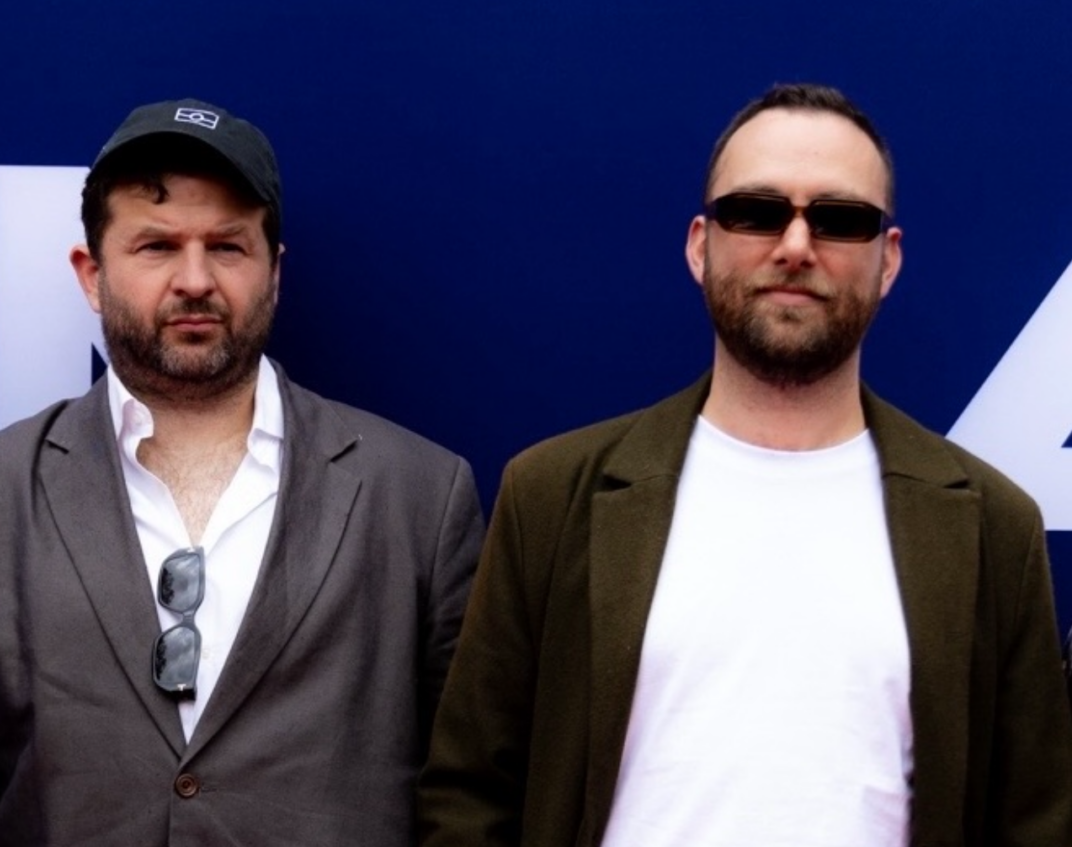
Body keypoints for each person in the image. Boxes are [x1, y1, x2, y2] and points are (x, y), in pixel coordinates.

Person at [417, 83, 1072, 846]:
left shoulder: (992, 522)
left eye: (839, 219)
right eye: (756, 212)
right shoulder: (553, 495)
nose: (795, 246)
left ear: (888, 261)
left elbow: (1035, 817)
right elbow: (469, 794)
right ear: (701, 244)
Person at [0, 98, 484, 846]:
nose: (195, 280)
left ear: (273, 272)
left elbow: (472, 789)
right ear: (91, 275)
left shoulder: (419, 494)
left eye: (227, 247)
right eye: (156, 247)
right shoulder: (0, 489)